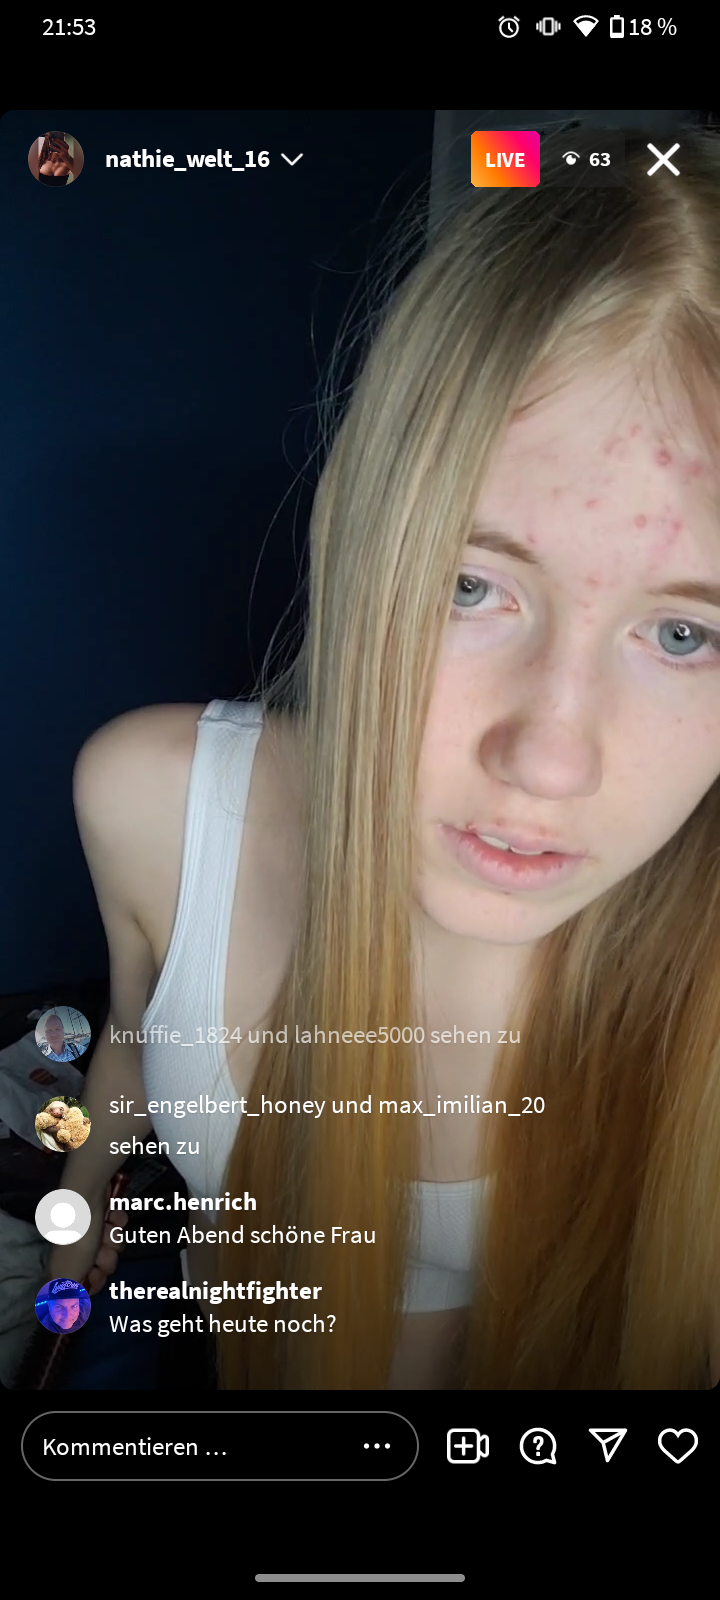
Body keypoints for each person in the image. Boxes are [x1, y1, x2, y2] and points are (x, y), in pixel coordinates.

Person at [49, 122, 720, 1391]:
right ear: (360, 539)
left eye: (684, 633)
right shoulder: (146, 800)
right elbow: (131, 1038)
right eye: (470, 585)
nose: (548, 760)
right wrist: (70, 1248)